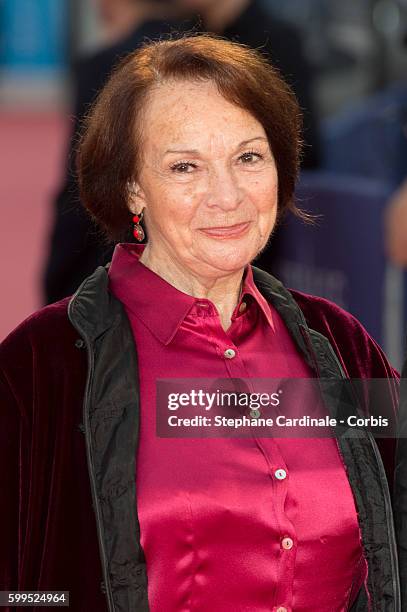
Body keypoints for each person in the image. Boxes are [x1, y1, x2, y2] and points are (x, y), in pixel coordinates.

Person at [0, 35, 401, 611]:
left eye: (248, 157)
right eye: (185, 166)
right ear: (131, 186)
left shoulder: (342, 345)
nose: (227, 195)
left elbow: (397, 525)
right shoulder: (42, 365)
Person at [42, 0, 195, 305]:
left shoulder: (104, 66)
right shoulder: (216, 56)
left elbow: (83, 183)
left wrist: (57, 281)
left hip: (114, 271)